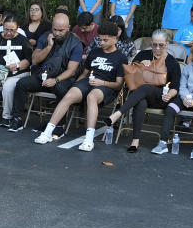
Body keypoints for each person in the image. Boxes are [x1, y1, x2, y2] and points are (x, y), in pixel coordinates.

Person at [34, 21, 126, 152]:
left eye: (105, 40)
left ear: (115, 38)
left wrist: (102, 83)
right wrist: (76, 85)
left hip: (106, 86)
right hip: (88, 81)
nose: (102, 43)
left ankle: (88, 140)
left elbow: (118, 85)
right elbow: (84, 73)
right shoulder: (94, 52)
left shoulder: (121, 58)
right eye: (100, 39)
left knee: (92, 97)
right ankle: (47, 132)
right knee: (70, 95)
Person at [104, 29, 183, 154]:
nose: (157, 48)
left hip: (161, 97)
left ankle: (118, 113)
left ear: (167, 44)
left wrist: (169, 95)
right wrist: (140, 65)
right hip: (141, 96)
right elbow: (130, 75)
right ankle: (135, 141)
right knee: (141, 101)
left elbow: (176, 87)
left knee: (145, 89)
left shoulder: (172, 62)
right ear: (151, 43)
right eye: (154, 44)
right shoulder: (143, 55)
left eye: (161, 45)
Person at [7, 12, 84, 133]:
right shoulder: (45, 37)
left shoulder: (75, 43)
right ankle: (18, 118)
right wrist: (48, 46)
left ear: (68, 28)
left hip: (62, 79)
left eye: (61, 30)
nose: (57, 33)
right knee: (21, 84)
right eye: (55, 29)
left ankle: (58, 126)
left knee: (62, 90)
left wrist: (56, 80)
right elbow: (35, 60)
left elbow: (71, 70)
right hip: (43, 75)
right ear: (52, 26)